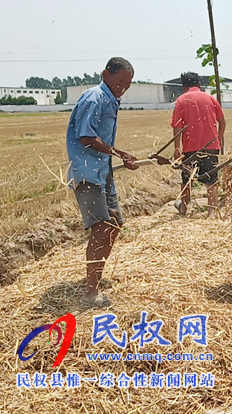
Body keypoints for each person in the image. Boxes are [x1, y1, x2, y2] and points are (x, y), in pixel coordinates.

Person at [66, 57, 137, 307]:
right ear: (106, 74)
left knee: (115, 224)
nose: (123, 87)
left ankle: (95, 277)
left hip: (102, 171)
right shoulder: (94, 97)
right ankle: (89, 293)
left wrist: (117, 157)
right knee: (102, 227)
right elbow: (85, 136)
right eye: (120, 81)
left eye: (128, 83)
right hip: (87, 172)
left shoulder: (110, 99)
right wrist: (120, 153)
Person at [170, 72, 226, 218]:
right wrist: (218, 140)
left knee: (186, 179)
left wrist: (176, 148)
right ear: (199, 85)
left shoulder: (181, 100)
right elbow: (222, 121)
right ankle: (212, 212)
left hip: (190, 148)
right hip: (211, 146)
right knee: (211, 179)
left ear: (183, 87)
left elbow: (177, 126)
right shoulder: (210, 98)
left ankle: (183, 209)